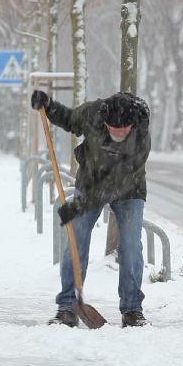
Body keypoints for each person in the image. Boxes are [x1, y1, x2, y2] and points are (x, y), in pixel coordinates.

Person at [33, 88, 151, 328]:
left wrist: (78, 206)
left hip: (129, 189)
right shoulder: (93, 113)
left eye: (123, 131)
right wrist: (49, 105)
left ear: (131, 125)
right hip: (89, 182)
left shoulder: (140, 135)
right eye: (113, 130)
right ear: (105, 121)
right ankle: (67, 306)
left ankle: (132, 309)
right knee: (76, 240)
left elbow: (117, 181)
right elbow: (68, 119)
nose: (118, 134)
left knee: (130, 246)